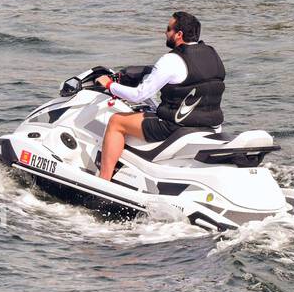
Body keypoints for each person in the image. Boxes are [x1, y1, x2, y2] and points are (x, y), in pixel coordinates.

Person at [94, 11, 225, 180]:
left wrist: (110, 85)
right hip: (211, 125)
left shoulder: (172, 60)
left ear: (179, 34)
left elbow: (138, 95)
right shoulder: (213, 54)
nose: (165, 32)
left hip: (174, 126)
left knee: (116, 122)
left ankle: (104, 179)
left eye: (168, 28)